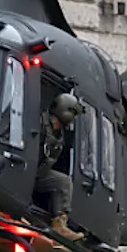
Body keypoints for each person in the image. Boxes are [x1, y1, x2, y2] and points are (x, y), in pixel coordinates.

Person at [35, 92, 85, 242]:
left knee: (62, 182)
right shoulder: (39, 123)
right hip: (25, 170)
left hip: (38, 173)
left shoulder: (59, 133)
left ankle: (59, 224)